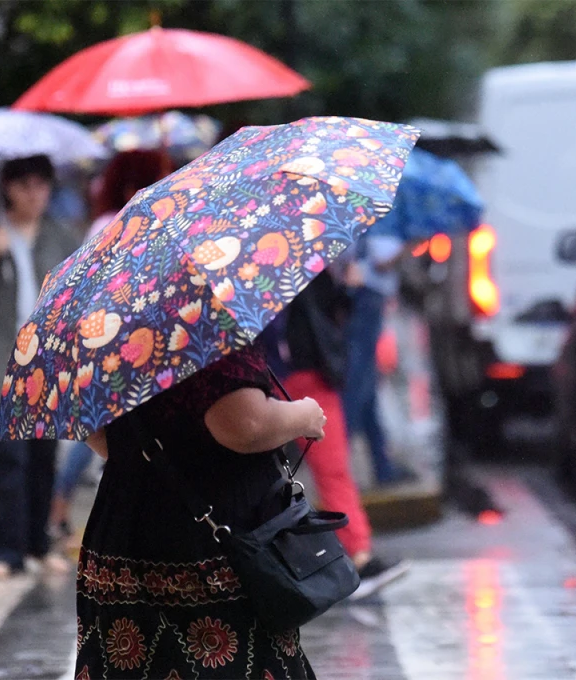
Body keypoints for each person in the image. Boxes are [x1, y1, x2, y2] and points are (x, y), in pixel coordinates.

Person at [76, 344, 325, 678]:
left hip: (123, 526)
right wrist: (304, 416)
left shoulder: (103, 331)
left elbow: (99, 436)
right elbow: (242, 423)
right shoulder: (202, 319)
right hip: (209, 530)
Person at [0, 155, 80, 579]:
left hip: (47, 362)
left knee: (45, 457)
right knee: (10, 459)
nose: (35, 195)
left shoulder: (60, 237)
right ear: (7, 188)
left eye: (42, 186)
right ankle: (6, 548)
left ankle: (38, 542)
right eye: (25, 185)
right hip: (1, 362)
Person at [48, 149, 171, 542]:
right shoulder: (112, 224)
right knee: (105, 429)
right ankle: (61, 502)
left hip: (130, 342)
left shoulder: (136, 221)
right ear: (134, 186)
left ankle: (64, 503)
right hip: (115, 344)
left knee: (111, 430)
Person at [263, 270, 408, 600]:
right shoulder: (297, 260)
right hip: (304, 374)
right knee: (333, 468)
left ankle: (353, 556)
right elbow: (332, 306)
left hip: (279, 376)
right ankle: (357, 556)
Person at [342, 231, 410, 485]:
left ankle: (382, 465)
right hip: (368, 295)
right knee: (359, 382)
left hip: (362, 295)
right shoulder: (381, 219)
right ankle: (341, 460)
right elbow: (382, 260)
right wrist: (411, 243)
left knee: (365, 385)